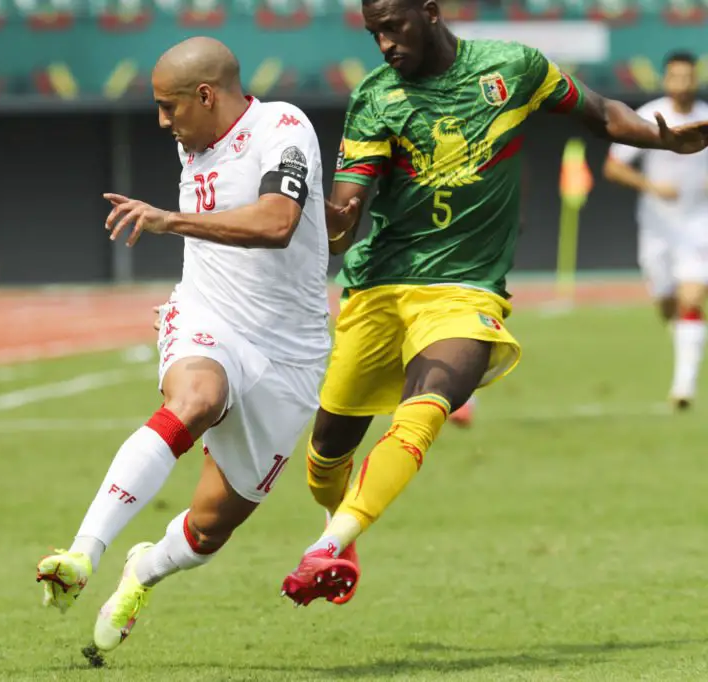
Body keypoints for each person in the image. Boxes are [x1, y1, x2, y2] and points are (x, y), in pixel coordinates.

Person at [279, 0, 708, 606]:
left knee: (427, 408)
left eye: (393, 28)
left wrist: (659, 138)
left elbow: (602, 114)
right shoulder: (376, 97)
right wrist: (325, 217)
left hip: (467, 287)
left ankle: (330, 544)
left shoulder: (514, 68)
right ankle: (337, 525)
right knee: (326, 455)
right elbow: (346, 214)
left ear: (429, 13)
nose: (384, 44)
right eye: (374, 33)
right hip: (381, 285)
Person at [35, 36, 331, 660]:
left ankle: (142, 571)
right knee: (197, 398)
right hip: (208, 317)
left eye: (169, 106)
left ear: (206, 95)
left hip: (292, 356)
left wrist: (169, 221)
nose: (162, 121)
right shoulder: (191, 138)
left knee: (209, 527)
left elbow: (279, 222)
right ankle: (83, 554)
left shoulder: (283, 128)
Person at [603, 51, 708, 410]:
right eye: (675, 76)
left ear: (696, 78)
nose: (682, 83)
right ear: (665, 79)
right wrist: (652, 187)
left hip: (699, 224)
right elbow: (614, 167)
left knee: (691, 298)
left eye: (688, 76)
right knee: (666, 303)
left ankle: (683, 387)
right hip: (657, 227)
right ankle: (685, 339)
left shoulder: (705, 118)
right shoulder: (649, 116)